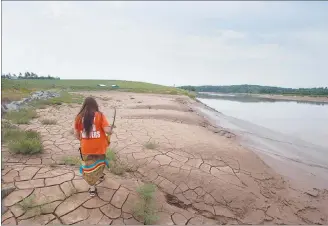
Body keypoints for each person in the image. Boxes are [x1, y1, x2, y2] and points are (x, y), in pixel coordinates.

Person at [74, 97, 112, 197]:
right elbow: (107, 131)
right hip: (99, 147)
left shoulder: (79, 117)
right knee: (99, 163)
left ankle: (92, 188)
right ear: (95, 105)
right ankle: (99, 175)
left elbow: (76, 134)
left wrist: (84, 141)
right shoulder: (100, 115)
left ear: (84, 105)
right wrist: (111, 129)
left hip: (86, 148)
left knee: (89, 168)